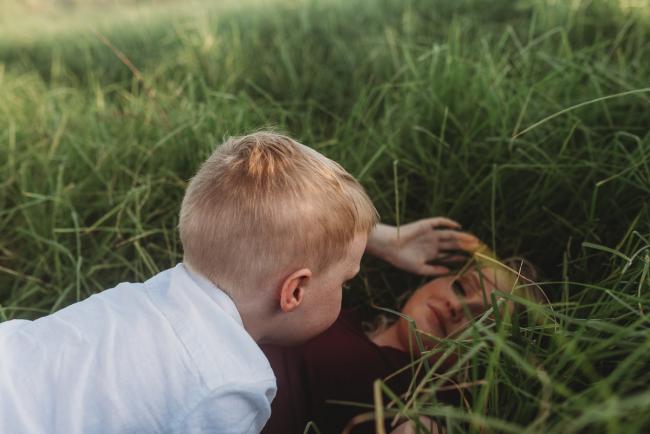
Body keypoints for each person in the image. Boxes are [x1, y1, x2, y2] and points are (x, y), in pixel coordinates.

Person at [0, 131, 477, 434]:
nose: (345, 291)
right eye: (345, 282)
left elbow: (259, 198)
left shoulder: (147, 295)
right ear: (294, 292)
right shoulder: (231, 385)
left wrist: (361, 235)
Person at [261, 253, 543, 434]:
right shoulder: (336, 311)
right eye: (462, 287)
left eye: (481, 321)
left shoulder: (434, 402)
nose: (457, 306)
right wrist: (381, 239)